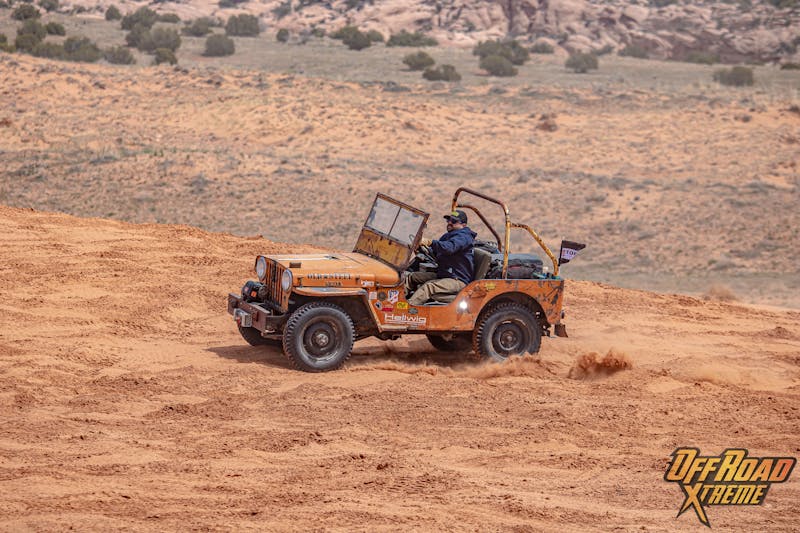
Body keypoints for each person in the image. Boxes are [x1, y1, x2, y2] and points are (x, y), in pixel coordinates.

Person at [405, 209, 476, 306]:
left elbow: (449, 248)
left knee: (429, 287)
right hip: (445, 274)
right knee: (412, 277)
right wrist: (421, 248)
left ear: (463, 225)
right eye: (448, 220)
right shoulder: (448, 236)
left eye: (454, 221)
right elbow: (437, 251)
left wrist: (430, 242)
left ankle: (407, 311)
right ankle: (398, 301)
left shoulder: (464, 237)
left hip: (457, 280)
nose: (449, 223)